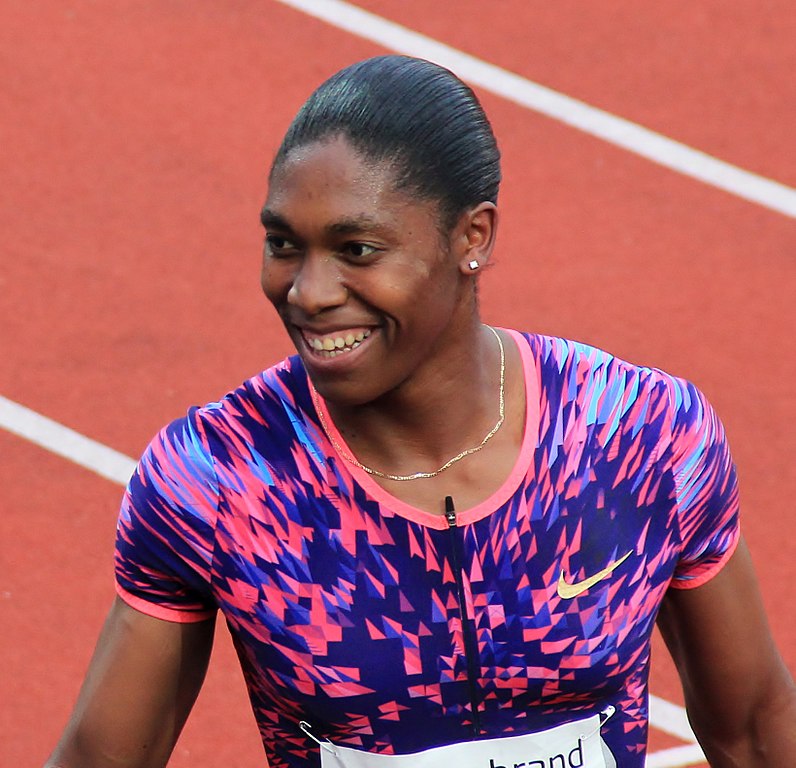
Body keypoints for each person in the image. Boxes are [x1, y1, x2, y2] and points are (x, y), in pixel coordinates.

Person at [46, 55, 795, 768]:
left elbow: (758, 730)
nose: (308, 291)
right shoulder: (217, 479)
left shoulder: (640, 435)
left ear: (472, 238)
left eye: (357, 249)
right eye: (284, 244)